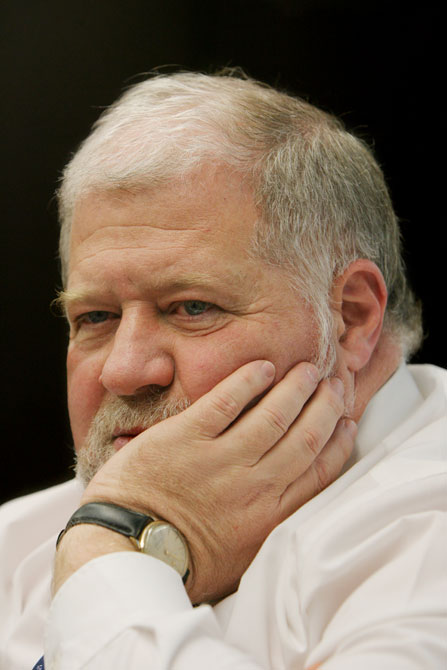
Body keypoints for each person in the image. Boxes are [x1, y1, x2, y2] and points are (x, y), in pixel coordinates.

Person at [1, 71, 445, 670]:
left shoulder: (430, 535)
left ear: (350, 317)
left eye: (191, 308)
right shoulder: (12, 547)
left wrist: (110, 544)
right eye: (96, 317)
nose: (124, 371)